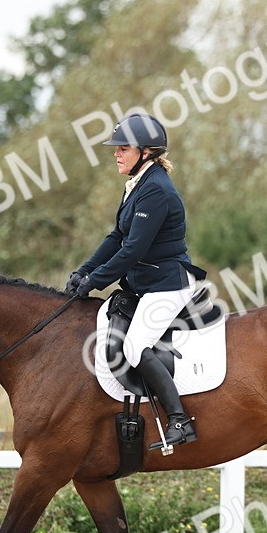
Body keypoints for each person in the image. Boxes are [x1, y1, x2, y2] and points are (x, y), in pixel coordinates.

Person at [66, 114, 206, 449]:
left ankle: (180, 420)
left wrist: (95, 282)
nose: (116, 153)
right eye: (116, 148)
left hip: (167, 284)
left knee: (134, 346)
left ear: (145, 152)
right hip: (147, 284)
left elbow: (132, 250)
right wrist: (83, 271)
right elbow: (117, 236)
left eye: (123, 148)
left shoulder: (155, 189)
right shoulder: (139, 183)